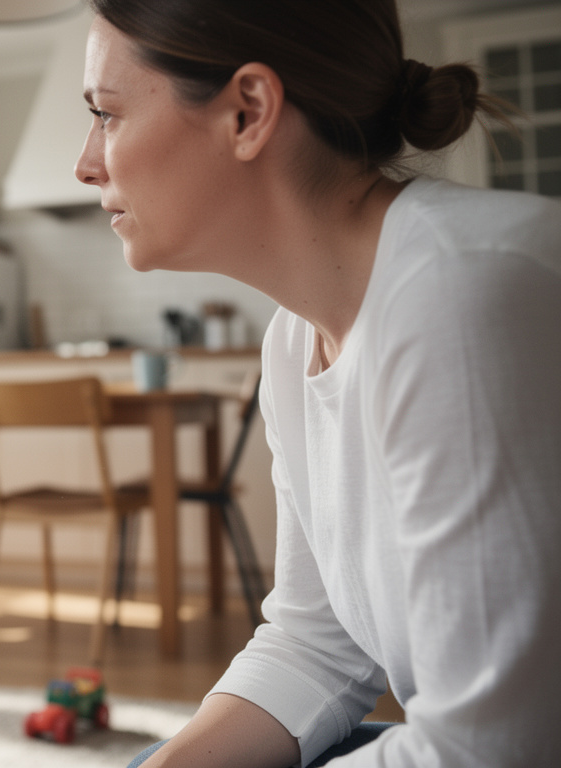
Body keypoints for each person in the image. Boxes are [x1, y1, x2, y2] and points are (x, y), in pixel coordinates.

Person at [74, 1, 561, 766]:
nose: (86, 163)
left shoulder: (461, 295)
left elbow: (489, 751)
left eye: (105, 113)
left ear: (248, 112)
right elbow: (316, 642)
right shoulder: (294, 338)